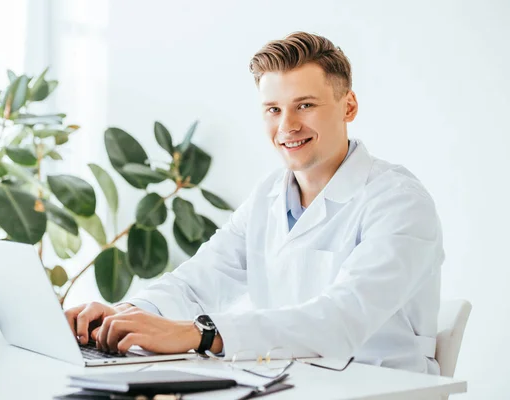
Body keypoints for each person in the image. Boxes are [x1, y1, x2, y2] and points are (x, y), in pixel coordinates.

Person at [65, 31, 444, 375]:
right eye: (273, 109)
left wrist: (202, 334)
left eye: (305, 105)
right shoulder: (268, 196)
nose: (287, 126)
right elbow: (196, 282)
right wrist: (127, 315)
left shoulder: (399, 201)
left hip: (380, 387)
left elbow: (339, 319)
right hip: (290, 382)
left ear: (348, 107)